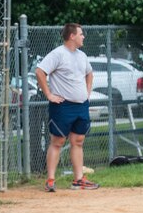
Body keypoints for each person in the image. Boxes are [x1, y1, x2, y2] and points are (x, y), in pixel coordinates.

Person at [35, 22, 100, 191]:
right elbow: (40, 71)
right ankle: (50, 180)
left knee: (78, 141)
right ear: (72, 36)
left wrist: (87, 93)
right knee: (58, 141)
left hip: (81, 106)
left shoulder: (81, 55)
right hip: (63, 106)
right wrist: (49, 94)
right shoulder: (58, 54)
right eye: (81, 34)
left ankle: (78, 180)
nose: (83, 36)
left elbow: (89, 73)